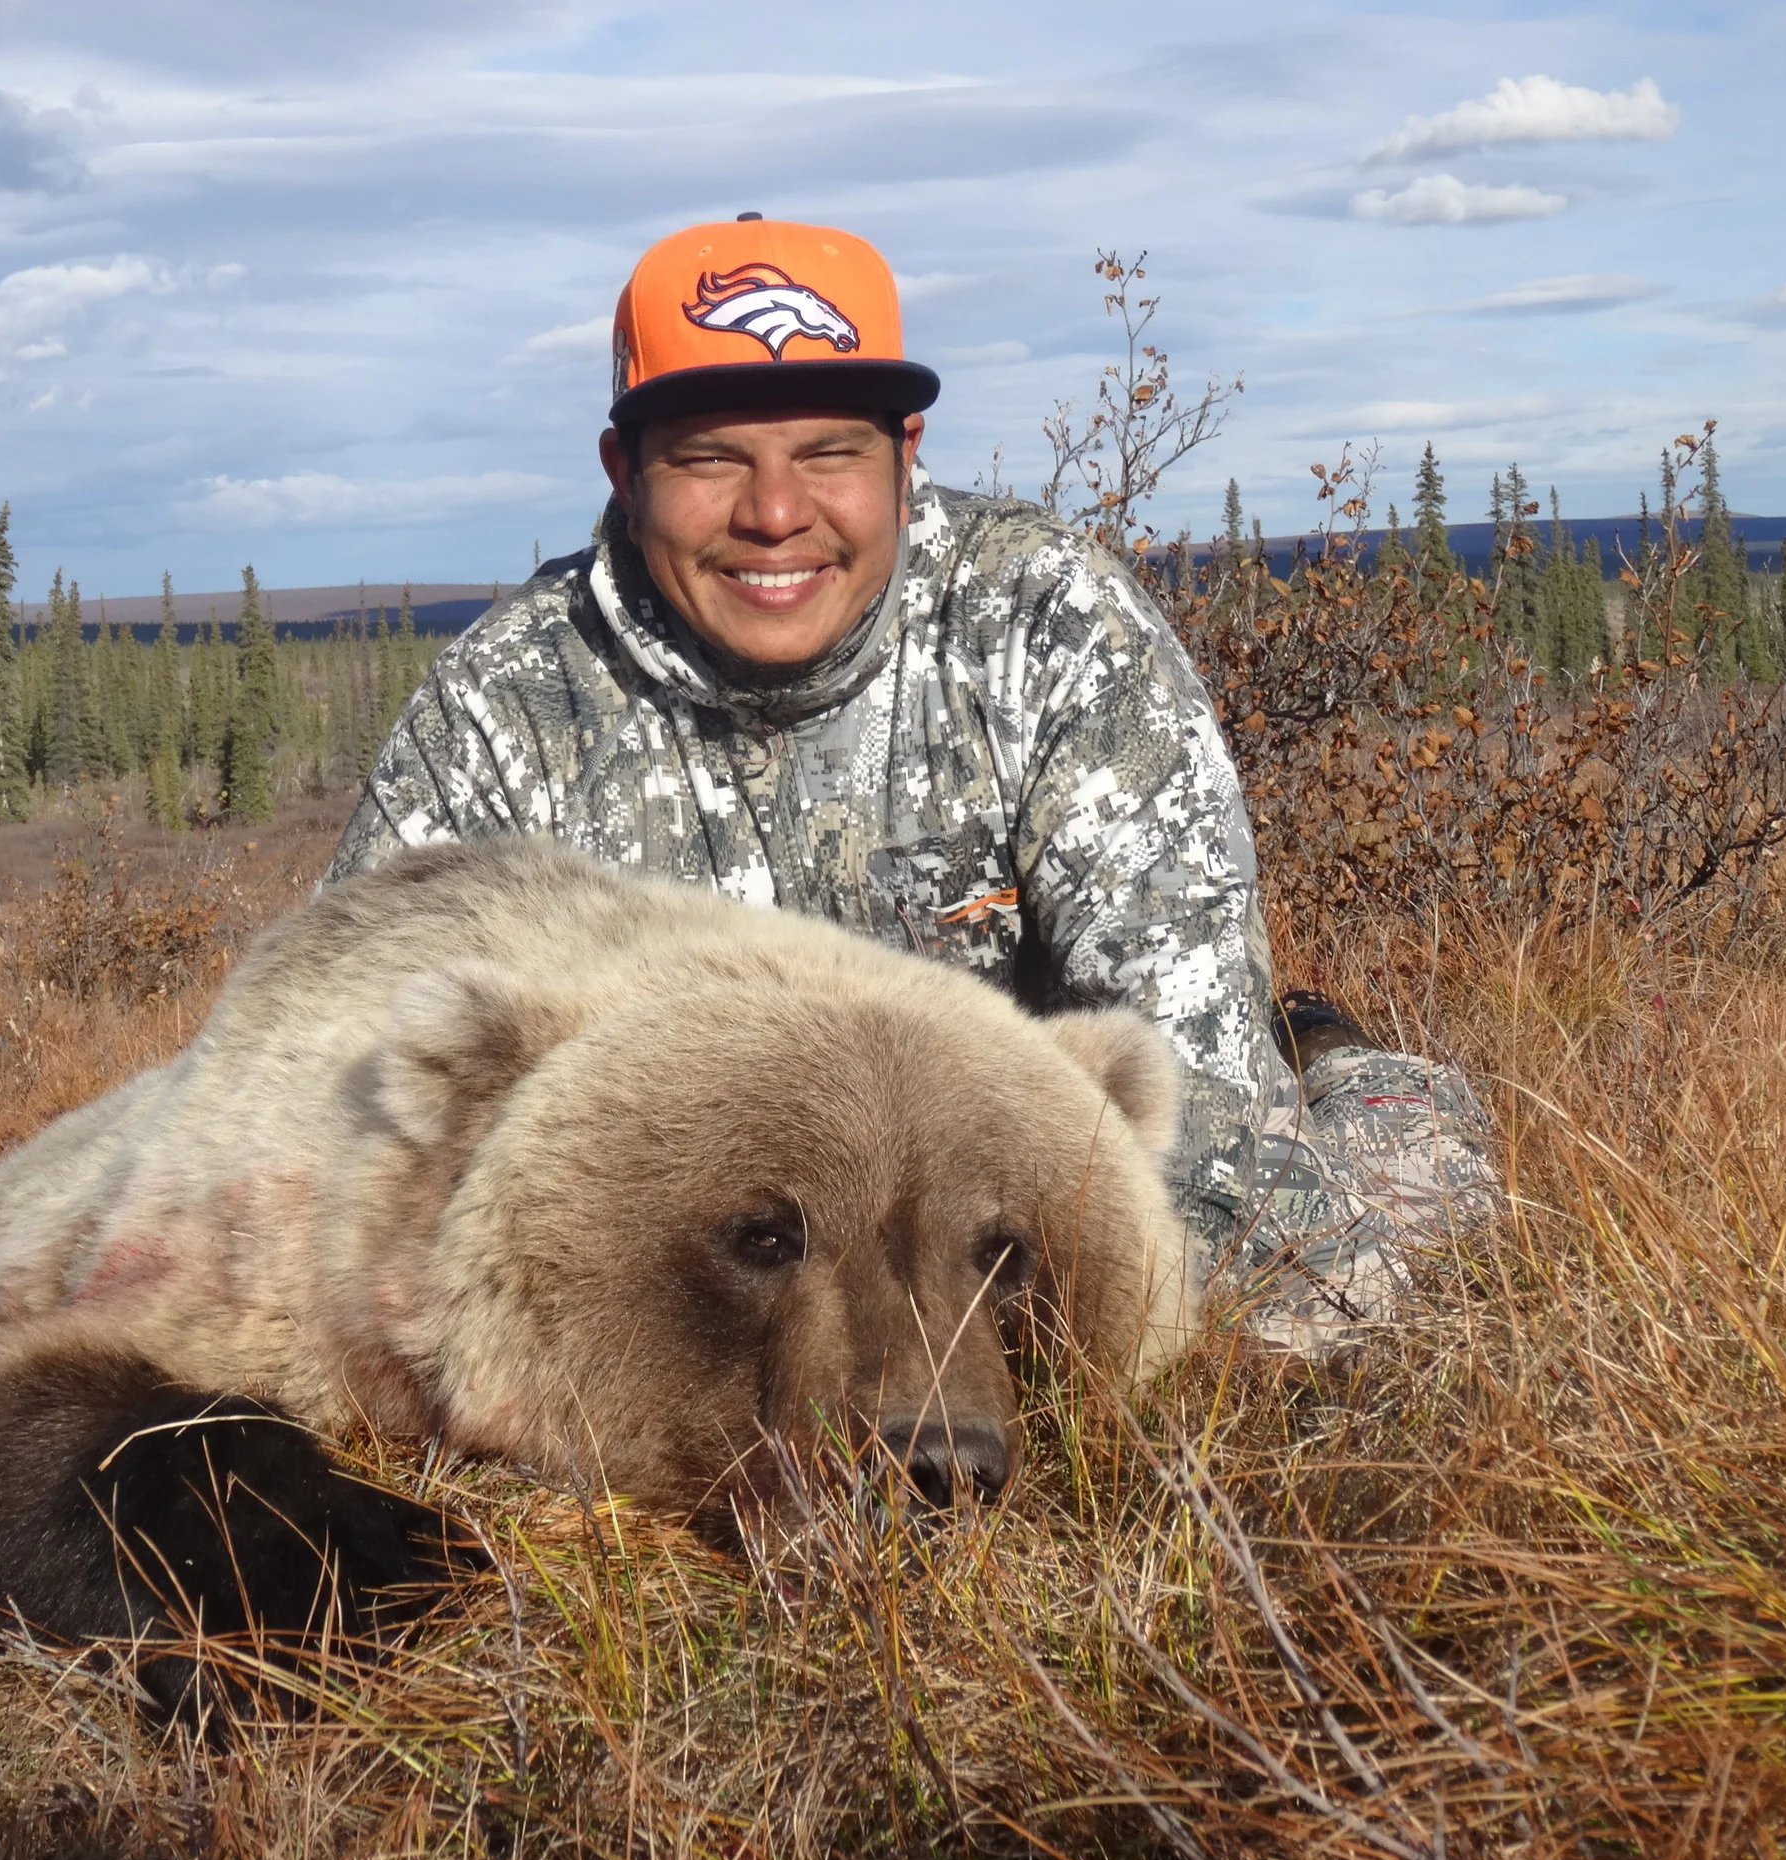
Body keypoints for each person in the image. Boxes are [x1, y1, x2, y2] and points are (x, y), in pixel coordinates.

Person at [325, 215, 1499, 1350]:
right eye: (710, 459)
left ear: (906, 456)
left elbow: (1197, 1116)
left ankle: (1363, 1079)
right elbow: (346, 1111)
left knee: (1324, 1282)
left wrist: (995, 1346)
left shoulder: (1047, 627)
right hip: (699, 1260)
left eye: (828, 453)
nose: (775, 514)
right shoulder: (505, 700)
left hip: (1004, 1219)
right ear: (625, 473)